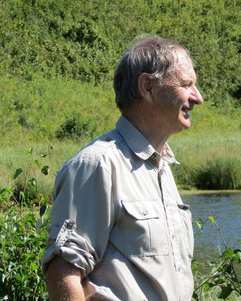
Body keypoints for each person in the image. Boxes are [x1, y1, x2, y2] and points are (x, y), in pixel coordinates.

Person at [41, 35, 204, 300]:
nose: (198, 97)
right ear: (148, 87)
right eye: (187, 84)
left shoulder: (161, 167)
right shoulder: (97, 165)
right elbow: (62, 272)